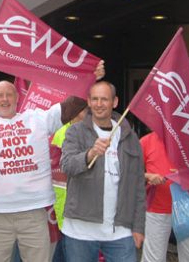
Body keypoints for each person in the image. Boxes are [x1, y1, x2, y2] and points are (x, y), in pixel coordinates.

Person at [0, 63, 104, 262]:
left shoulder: (37, 118)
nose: (4, 99)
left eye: (9, 94)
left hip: (34, 214)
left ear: (17, 98)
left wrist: (89, 79)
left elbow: (72, 105)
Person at [60, 81, 146, 262]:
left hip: (120, 231)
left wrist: (138, 227)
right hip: (80, 230)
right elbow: (66, 165)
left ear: (114, 102)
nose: (99, 104)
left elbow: (138, 185)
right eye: (95, 99)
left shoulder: (129, 137)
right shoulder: (75, 132)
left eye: (104, 99)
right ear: (89, 102)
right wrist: (90, 154)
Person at [140, 131, 189, 262]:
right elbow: (130, 170)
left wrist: (187, 174)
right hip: (156, 209)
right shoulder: (146, 141)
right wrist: (148, 176)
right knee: (153, 259)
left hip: (186, 209)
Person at [50, 96, 88, 262]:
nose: (88, 113)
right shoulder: (63, 132)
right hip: (65, 200)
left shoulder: (84, 131)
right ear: (74, 114)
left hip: (71, 201)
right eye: (85, 110)